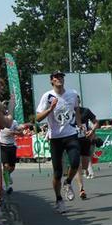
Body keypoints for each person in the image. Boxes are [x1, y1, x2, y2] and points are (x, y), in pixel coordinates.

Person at [35, 71, 82, 213]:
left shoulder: (73, 94)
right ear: (52, 81)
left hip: (71, 134)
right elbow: (38, 118)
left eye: (61, 77)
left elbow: (77, 109)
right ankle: (59, 199)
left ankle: (68, 182)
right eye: (56, 77)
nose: (59, 79)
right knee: (57, 173)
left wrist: (79, 124)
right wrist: (51, 108)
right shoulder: (47, 96)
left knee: (75, 162)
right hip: (55, 137)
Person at [75, 103, 99, 199]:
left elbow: (96, 122)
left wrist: (92, 131)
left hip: (85, 139)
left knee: (84, 165)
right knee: (77, 164)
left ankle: (84, 171)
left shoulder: (86, 111)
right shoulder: (68, 112)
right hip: (73, 140)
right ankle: (81, 189)